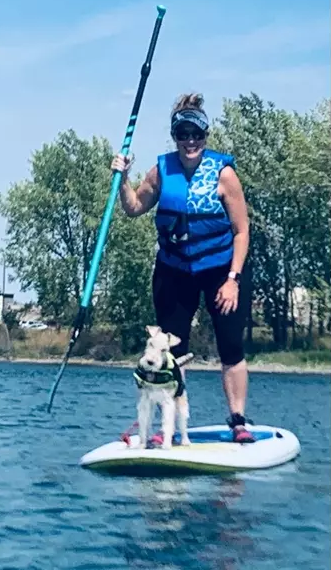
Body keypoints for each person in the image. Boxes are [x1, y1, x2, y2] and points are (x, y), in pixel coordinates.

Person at [111, 92, 255, 443]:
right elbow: (133, 208)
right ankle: (168, 427)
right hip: (174, 270)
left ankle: (238, 420)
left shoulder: (224, 174)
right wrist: (122, 178)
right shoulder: (161, 171)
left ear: (205, 136)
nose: (190, 141)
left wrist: (233, 279)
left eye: (196, 135)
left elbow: (242, 231)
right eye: (183, 135)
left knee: (231, 346)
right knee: (171, 351)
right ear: (175, 137)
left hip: (221, 268)